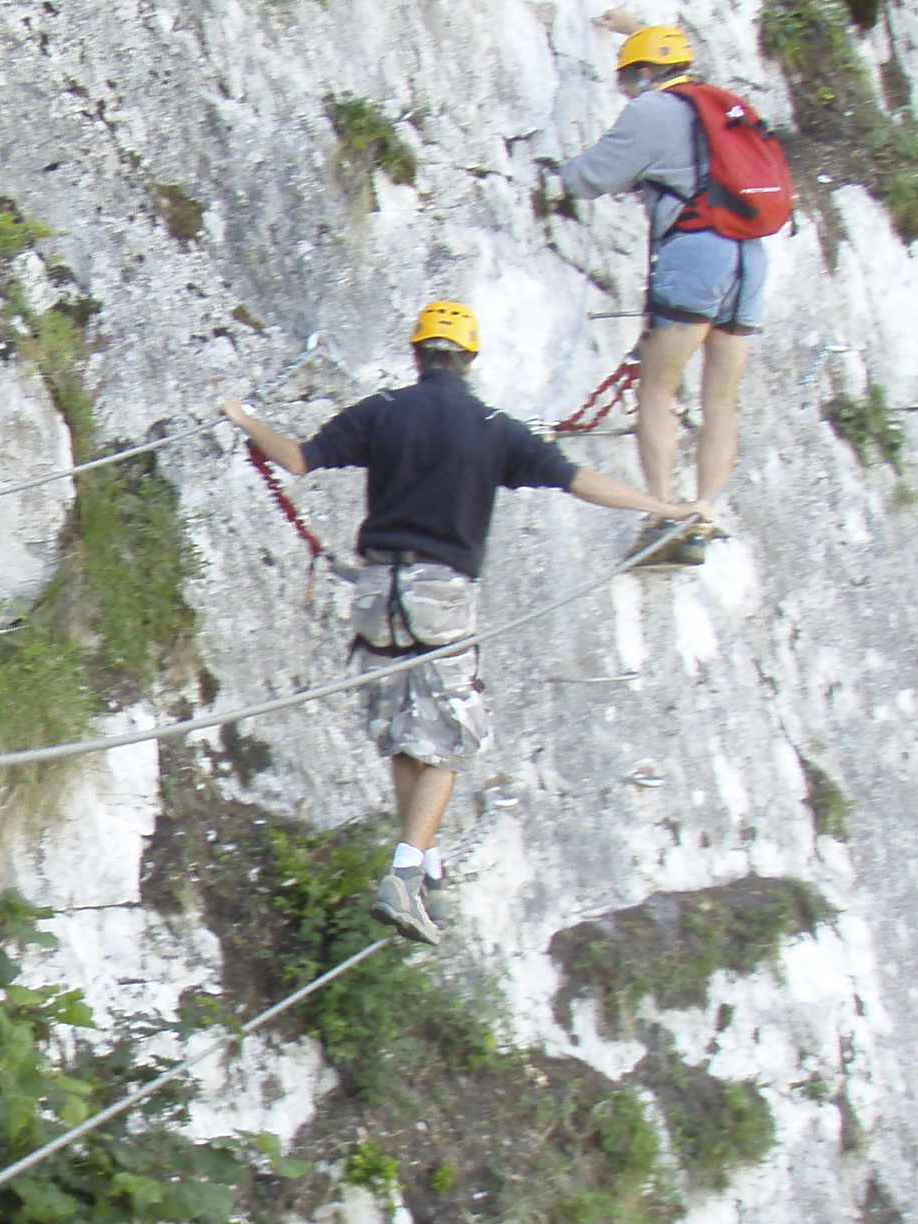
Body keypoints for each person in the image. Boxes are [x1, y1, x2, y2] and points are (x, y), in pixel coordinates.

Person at [218, 301, 702, 947]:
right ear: (470, 360)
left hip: (375, 594)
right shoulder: (494, 427)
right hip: (438, 592)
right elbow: (578, 479)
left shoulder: (383, 410)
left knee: (402, 729)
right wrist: (662, 504)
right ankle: (408, 870)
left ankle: (424, 870)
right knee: (452, 734)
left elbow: (299, 459)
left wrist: (244, 419)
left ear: (418, 354)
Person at [553, 13, 761, 566]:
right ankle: (706, 514)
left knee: (657, 390)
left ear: (645, 74)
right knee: (721, 399)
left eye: (626, 79)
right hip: (750, 254)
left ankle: (664, 516)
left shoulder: (653, 109)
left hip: (696, 251)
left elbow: (589, 177)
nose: (624, 90)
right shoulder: (720, 105)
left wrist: (552, 179)